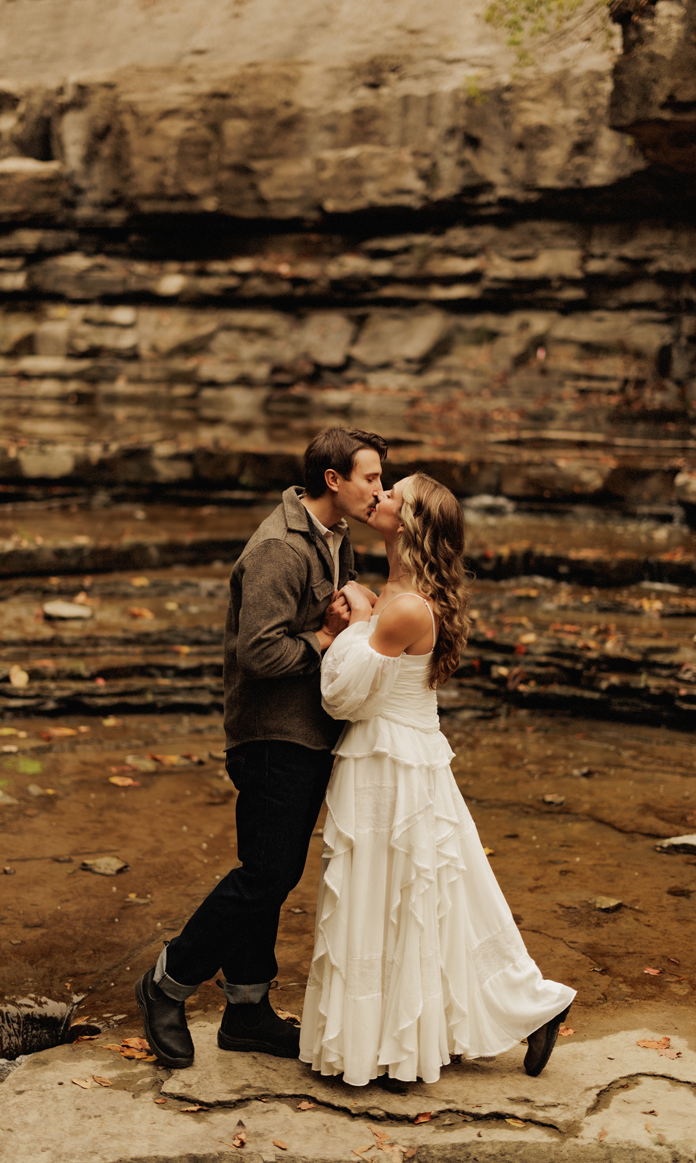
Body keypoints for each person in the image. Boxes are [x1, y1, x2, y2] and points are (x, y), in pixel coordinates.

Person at [302, 473, 572, 1083]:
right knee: (437, 898)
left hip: (389, 764)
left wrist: (351, 624)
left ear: (411, 524)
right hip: (405, 754)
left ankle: (400, 1042)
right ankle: (525, 1007)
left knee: (399, 896)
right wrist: (367, 613)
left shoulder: (401, 607)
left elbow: (342, 697)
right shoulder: (403, 592)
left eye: (393, 495)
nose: (380, 498)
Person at [138, 427, 387, 1070]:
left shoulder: (335, 538)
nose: (378, 490)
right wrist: (328, 637)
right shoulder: (279, 548)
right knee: (266, 875)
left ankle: (246, 1010)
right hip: (271, 735)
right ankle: (167, 981)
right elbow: (261, 652)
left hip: (308, 731)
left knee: (269, 873)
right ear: (333, 479)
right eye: (371, 478)